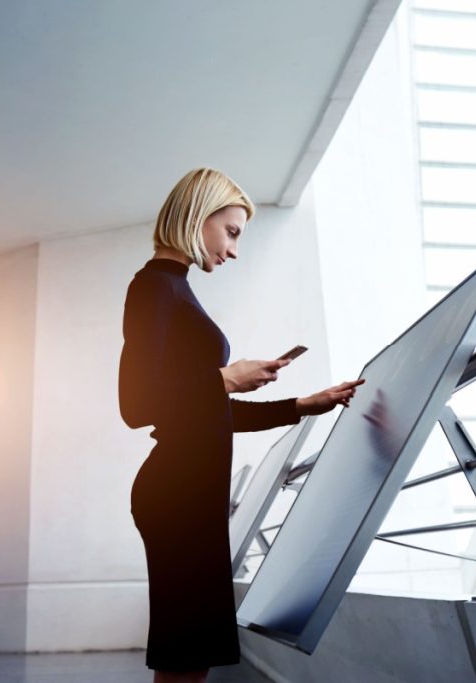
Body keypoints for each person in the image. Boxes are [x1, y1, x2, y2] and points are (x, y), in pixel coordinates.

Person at [118, 167, 365, 683]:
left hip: (189, 492)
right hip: (176, 494)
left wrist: (301, 404)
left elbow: (206, 413)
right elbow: (135, 404)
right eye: (230, 232)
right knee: (186, 653)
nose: (233, 251)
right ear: (196, 215)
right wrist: (224, 378)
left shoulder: (175, 290)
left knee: (190, 654)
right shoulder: (152, 288)